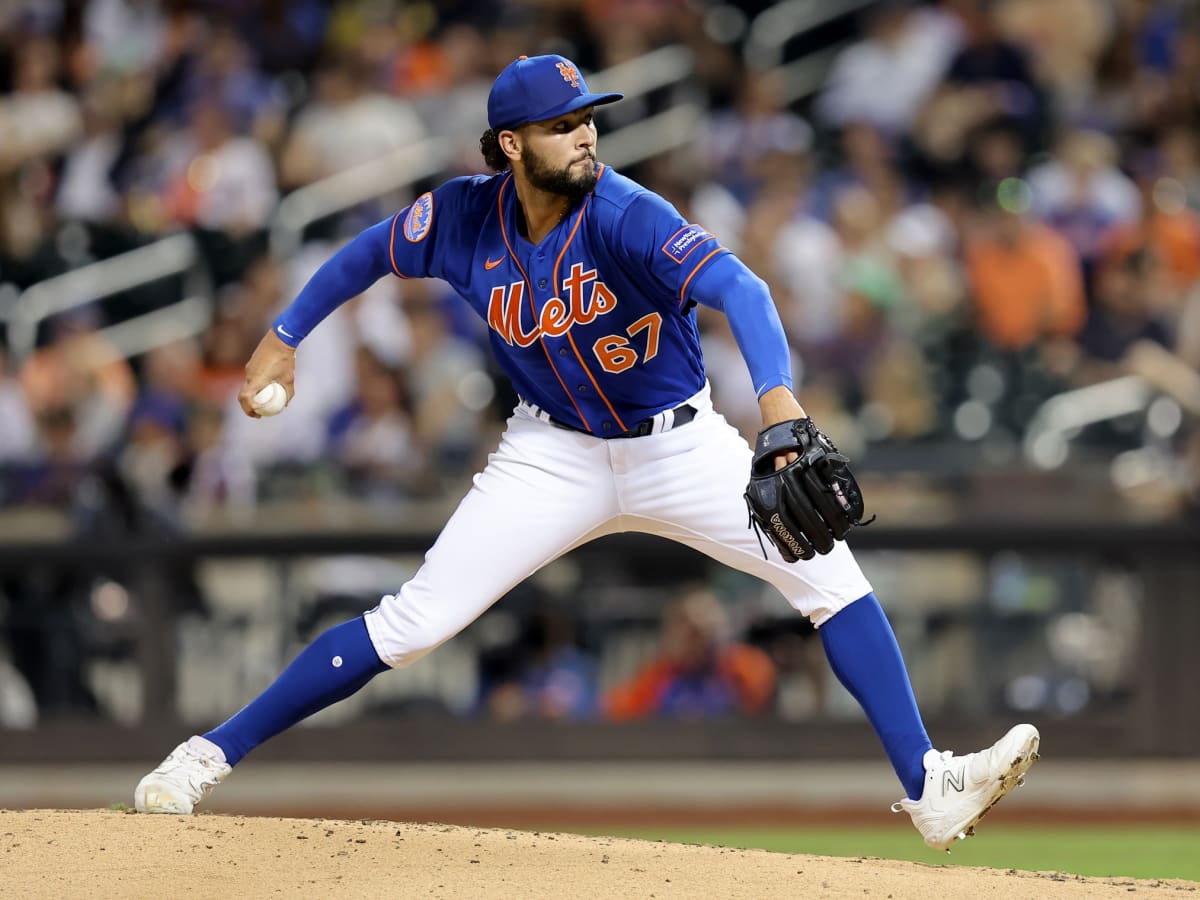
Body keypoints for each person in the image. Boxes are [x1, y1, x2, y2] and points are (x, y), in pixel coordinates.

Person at [134, 54, 1040, 851]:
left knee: (831, 577)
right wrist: (285, 333)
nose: (585, 135)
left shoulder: (627, 212)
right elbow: (365, 254)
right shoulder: (461, 218)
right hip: (551, 455)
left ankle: (929, 786)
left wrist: (776, 403)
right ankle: (204, 755)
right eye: (561, 125)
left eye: (587, 117)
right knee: (411, 626)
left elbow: (745, 288)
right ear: (510, 145)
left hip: (680, 448)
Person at [604, 586, 776, 720]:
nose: (700, 641)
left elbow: (762, 708)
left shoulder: (746, 666)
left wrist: (723, 661)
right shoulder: (660, 676)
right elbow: (615, 711)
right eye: (691, 632)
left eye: (708, 629)